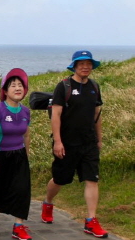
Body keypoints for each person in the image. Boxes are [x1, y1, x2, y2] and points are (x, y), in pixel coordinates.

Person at [42, 50, 108, 238]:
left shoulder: (94, 86)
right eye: (81, 64)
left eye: (88, 63)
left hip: (89, 143)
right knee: (61, 179)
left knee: (92, 179)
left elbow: (97, 115)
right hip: (67, 143)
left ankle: (91, 220)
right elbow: (56, 115)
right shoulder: (64, 86)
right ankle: (47, 202)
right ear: (74, 66)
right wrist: (58, 141)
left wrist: (99, 139)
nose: (85, 67)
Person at [0, 68, 32, 240]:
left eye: (20, 85)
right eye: (13, 85)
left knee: (22, 190)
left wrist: (26, 155)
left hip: (18, 156)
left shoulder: (25, 111)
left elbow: (26, 134)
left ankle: (18, 226)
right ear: (5, 90)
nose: (17, 88)